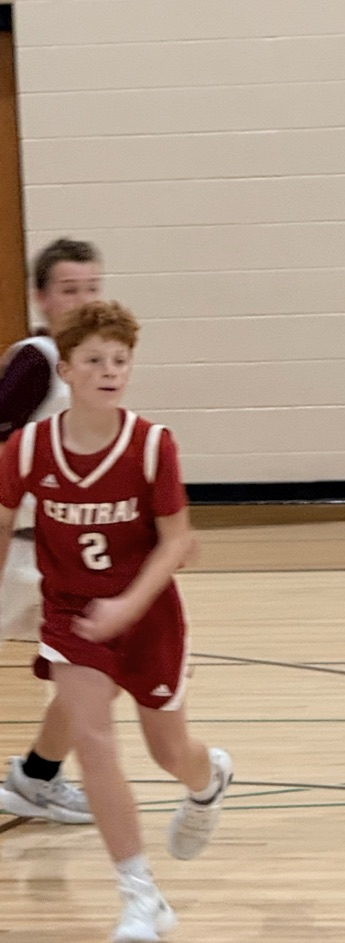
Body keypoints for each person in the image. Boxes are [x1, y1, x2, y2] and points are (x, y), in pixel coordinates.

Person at [0, 300, 232, 943]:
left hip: (148, 618)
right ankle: (139, 894)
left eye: (120, 361)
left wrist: (128, 607)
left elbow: (177, 541)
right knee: (95, 742)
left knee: (170, 754)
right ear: (66, 370)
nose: (109, 371)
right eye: (95, 361)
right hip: (72, 618)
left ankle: (208, 779)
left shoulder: (151, 445)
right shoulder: (30, 448)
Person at [0, 237, 104, 824]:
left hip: (57, 555)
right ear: (42, 298)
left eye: (92, 288)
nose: (84, 300)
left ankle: (38, 777)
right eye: (70, 291)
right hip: (13, 551)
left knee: (87, 667)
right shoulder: (38, 358)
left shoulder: (90, 365)